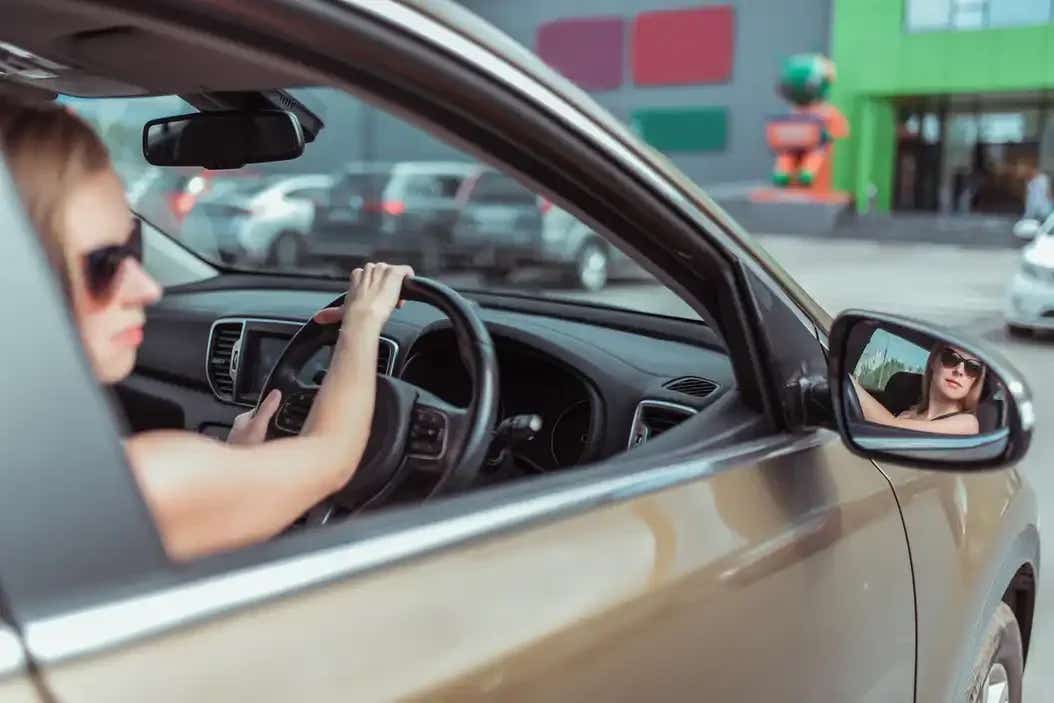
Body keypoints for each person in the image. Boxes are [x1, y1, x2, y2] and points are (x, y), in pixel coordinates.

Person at [0, 98, 413, 560]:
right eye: (105, 264)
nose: (147, 288)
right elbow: (332, 458)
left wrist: (230, 468)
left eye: (135, 245)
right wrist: (362, 321)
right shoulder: (126, 486)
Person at [851, 345, 986, 436]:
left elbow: (889, 429)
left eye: (973, 367)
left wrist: (848, 382)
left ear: (976, 380)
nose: (959, 371)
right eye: (951, 358)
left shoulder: (968, 424)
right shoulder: (908, 413)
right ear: (934, 361)